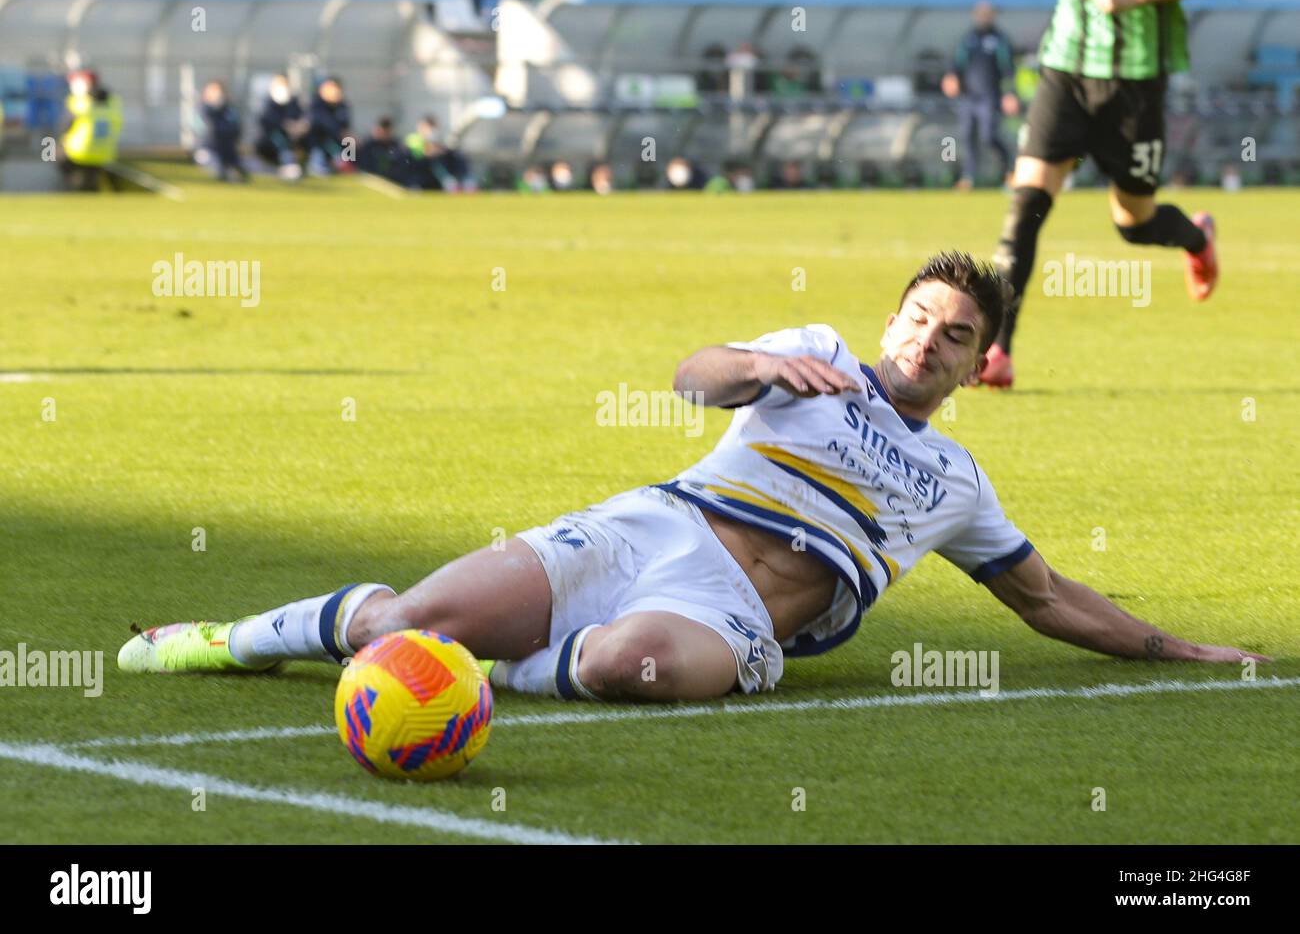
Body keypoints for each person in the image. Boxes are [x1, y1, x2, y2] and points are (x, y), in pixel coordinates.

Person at [119, 251, 1265, 700]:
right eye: (917, 319)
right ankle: (228, 636)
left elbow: (1046, 597)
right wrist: (754, 362)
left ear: (979, 362)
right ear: (888, 321)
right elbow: (691, 373)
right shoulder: (814, 356)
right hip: (649, 530)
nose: (926, 340)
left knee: (642, 667)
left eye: (954, 334)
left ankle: (490, 680)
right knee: (410, 623)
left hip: (723, 610)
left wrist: (1174, 645)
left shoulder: (957, 481)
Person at [947, 0, 1223, 388]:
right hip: (1065, 73)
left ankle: (1196, 239)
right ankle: (999, 350)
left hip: (1136, 81)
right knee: (1026, 205)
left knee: (1135, 224)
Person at [942, 0, 1018, 191]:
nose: (983, 17)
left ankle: (1009, 172)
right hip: (969, 97)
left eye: (987, 13)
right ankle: (969, 178)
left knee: (989, 136)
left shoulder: (1000, 39)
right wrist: (951, 77)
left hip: (990, 96)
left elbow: (1008, 68)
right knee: (968, 136)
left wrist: (1009, 93)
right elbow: (957, 62)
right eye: (980, 13)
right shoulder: (969, 38)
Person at [59, 81, 123, 192]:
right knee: (92, 174)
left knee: (54, 153)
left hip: (79, 152)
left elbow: (65, 126)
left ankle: (68, 183)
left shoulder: (82, 108)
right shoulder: (114, 112)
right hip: (104, 154)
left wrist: (62, 139)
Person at [255, 74, 310, 181]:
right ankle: (287, 164)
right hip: (270, 140)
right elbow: (266, 121)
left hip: (293, 137)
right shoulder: (266, 102)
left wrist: (300, 126)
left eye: (284, 83)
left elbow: (302, 117)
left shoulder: (294, 102)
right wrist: (285, 125)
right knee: (278, 138)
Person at [195, 80, 247, 182]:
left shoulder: (229, 110)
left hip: (227, 150)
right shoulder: (201, 109)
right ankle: (226, 173)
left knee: (242, 166)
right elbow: (209, 131)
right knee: (217, 167)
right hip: (207, 150)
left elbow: (236, 129)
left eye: (219, 91)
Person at [404, 115, 471, 191]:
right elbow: (417, 155)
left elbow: (442, 151)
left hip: (431, 168)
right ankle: (450, 183)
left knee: (455, 157)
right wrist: (431, 152)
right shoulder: (413, 138)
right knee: (435, 164)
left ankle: (462, 182)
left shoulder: (434, 139)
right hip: (418, 167)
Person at [307, 77, 352, 176]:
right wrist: (339, 131)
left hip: (337, 143)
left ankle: (347, 163)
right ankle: (318, 163)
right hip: (319, 143)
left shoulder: (343, 106)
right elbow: (323, 124)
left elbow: (345, 127)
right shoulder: (316, 105)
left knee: (350, 141)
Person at [356, 117, 414, 187]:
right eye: (384, 132)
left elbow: (403, 165)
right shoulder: (369, 146)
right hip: (373, 180)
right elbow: (364, 166)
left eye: (388, 132)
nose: (386, 135)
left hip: (393, 181)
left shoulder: (396, 146)